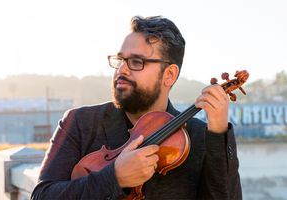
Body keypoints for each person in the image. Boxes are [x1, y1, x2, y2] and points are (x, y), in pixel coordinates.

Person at [31, 16, 242, 200]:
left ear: (169, 75)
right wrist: (114, 177)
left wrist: (218, 133)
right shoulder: (80, 122)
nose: (122, 70)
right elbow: (42, 195)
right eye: (120, 60)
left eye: (136, 62)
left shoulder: (197, 136)